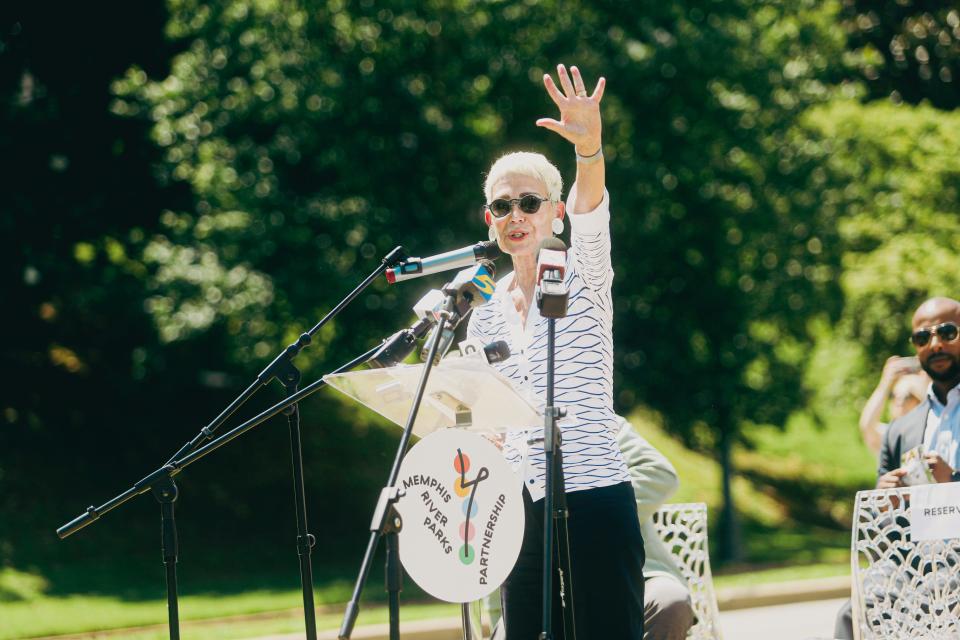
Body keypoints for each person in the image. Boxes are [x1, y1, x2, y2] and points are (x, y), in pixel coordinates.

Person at [467, 64, 645, 638]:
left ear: (555, 211)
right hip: (519, 507)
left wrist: (589, 150)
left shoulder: (582, 274)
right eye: (502, 206)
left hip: (593, 496)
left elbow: (594, 207)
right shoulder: (481, 311)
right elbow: (482, 413)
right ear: (488, 219)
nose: (515, 216)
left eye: (529, 202)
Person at [485, 416, 695, 640]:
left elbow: (658, 473)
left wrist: (586, 517)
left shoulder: (594, 419)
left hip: (634, 576)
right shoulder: (496, 443)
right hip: (538, 591)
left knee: (670, 602)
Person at [834, 296, 960, 640]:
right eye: (923, 337)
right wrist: (885, 499)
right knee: (855, 609)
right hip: (914, 563)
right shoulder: (900, 429)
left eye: (947, 332)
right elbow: (881, 526)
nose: (935, 344)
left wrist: (954, 482)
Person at [858, 356, 928, 457]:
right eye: (894, 395)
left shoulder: (933, 430)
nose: (899, 401)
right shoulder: (892, 435)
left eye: (907, 396)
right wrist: (885, 383)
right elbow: (867, 425)